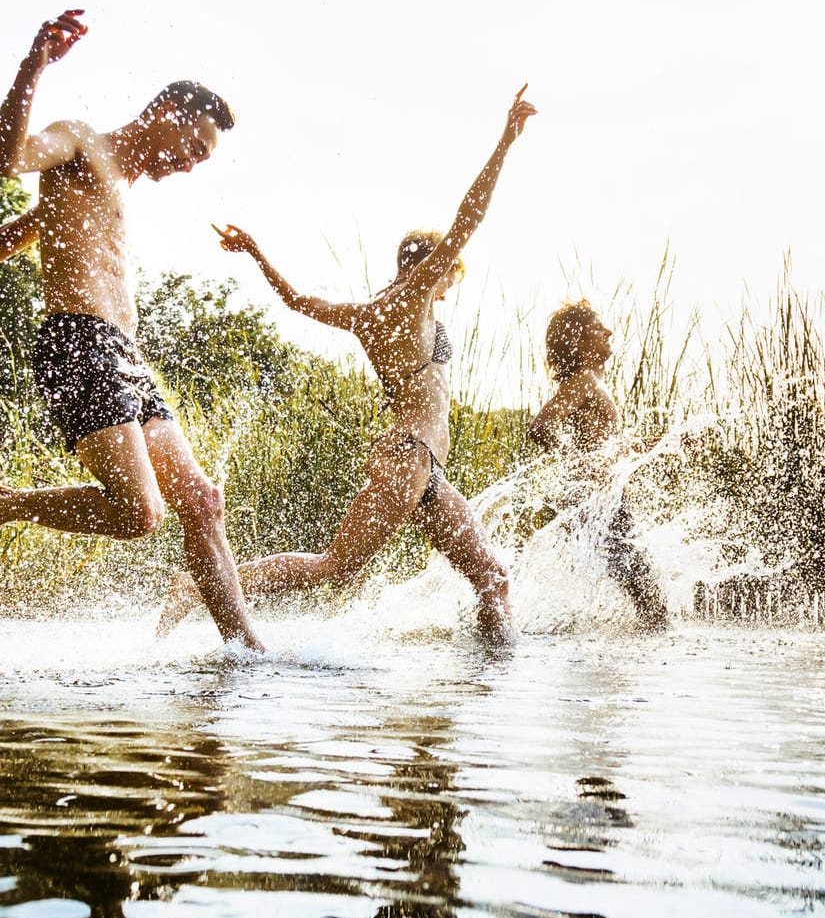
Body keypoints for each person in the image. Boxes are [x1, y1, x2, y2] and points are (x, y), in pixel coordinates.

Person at [0, 9, 261, 652]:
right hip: (77, 341)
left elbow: (29, 227)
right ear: (169, 111)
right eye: (195, 147)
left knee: (203, 501)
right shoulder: (80, 140)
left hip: (125, 355)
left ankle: (248, 654)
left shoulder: (120, 186)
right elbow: (4, 159)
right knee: (139, 515)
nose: (192, 165)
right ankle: (2, 503)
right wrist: (35, 65)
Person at [154, 89, 538, 643]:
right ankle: (197, 585)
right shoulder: (413, 297)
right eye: (449, 273)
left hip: (421, 467)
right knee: (335, 566)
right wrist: (504, 141)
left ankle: (485, 685)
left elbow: (296, 301)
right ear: (437, 269)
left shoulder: (369, 312)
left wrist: (258, 255)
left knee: (492, 578)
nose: (451, 284)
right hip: (408, 459)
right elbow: (468, 218)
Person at [527, 300, 669, 628]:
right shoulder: (584, 381)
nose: (609, 331)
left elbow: (612, 449)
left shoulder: (592, 382)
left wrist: (665, 443)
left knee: (647, 603)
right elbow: (540, 426)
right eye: (598, 327)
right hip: (601, 503)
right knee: (653, 607)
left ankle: (597, 659)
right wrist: (579, 465)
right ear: (578, 339)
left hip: (607, 502)